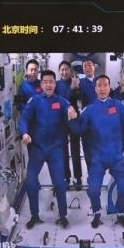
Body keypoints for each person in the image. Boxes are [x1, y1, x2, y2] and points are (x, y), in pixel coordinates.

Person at [69, 75, 124, 229]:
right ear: (95, 89)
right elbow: (79, 128)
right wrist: (73, 118)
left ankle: (120, 213)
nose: (102, 88)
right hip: (98, 158)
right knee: (93, 190)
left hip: (116, 157)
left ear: (109, 87)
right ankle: (97, 212)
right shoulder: (89, 109)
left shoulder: (117, 105)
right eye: (99, 86)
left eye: (105, 85)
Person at [20, 70, 78, 229]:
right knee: (31, 183)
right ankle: (34, 215)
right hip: (37, 149)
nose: (48, 85)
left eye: (51, 82)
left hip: (55, 150)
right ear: (41, 84)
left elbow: (71, 110)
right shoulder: (34, 101)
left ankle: (63, 215)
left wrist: (73, 114)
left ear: (55, 84)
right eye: (45, 82)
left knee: (60, 183)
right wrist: (24, 133)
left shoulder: (61, 101)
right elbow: (24, 119)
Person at [55, 61, 83, 189]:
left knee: (75, 150)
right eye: (62, 69)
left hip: (74, 119)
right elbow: (62, 101)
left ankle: (78, 177)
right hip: (61, 121)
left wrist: (76, 88)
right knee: (63, 151)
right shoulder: (56, 85)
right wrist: (71, 89)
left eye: (67, 69)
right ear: (59, 71)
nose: (65, 72)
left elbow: (79, 99)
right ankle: (66, 176)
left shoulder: (76, 83)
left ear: (70, 71)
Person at [75, 59, 98, 171]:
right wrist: (74, 88)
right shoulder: (80, 83)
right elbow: (75, 97)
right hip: (86, 122)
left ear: (94, 67)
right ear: (83, 69)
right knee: (87, 149)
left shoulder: (100, 81)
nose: (88, 68)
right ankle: (91, 172)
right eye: (85, 66)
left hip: (100, 121)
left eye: (89, 65)